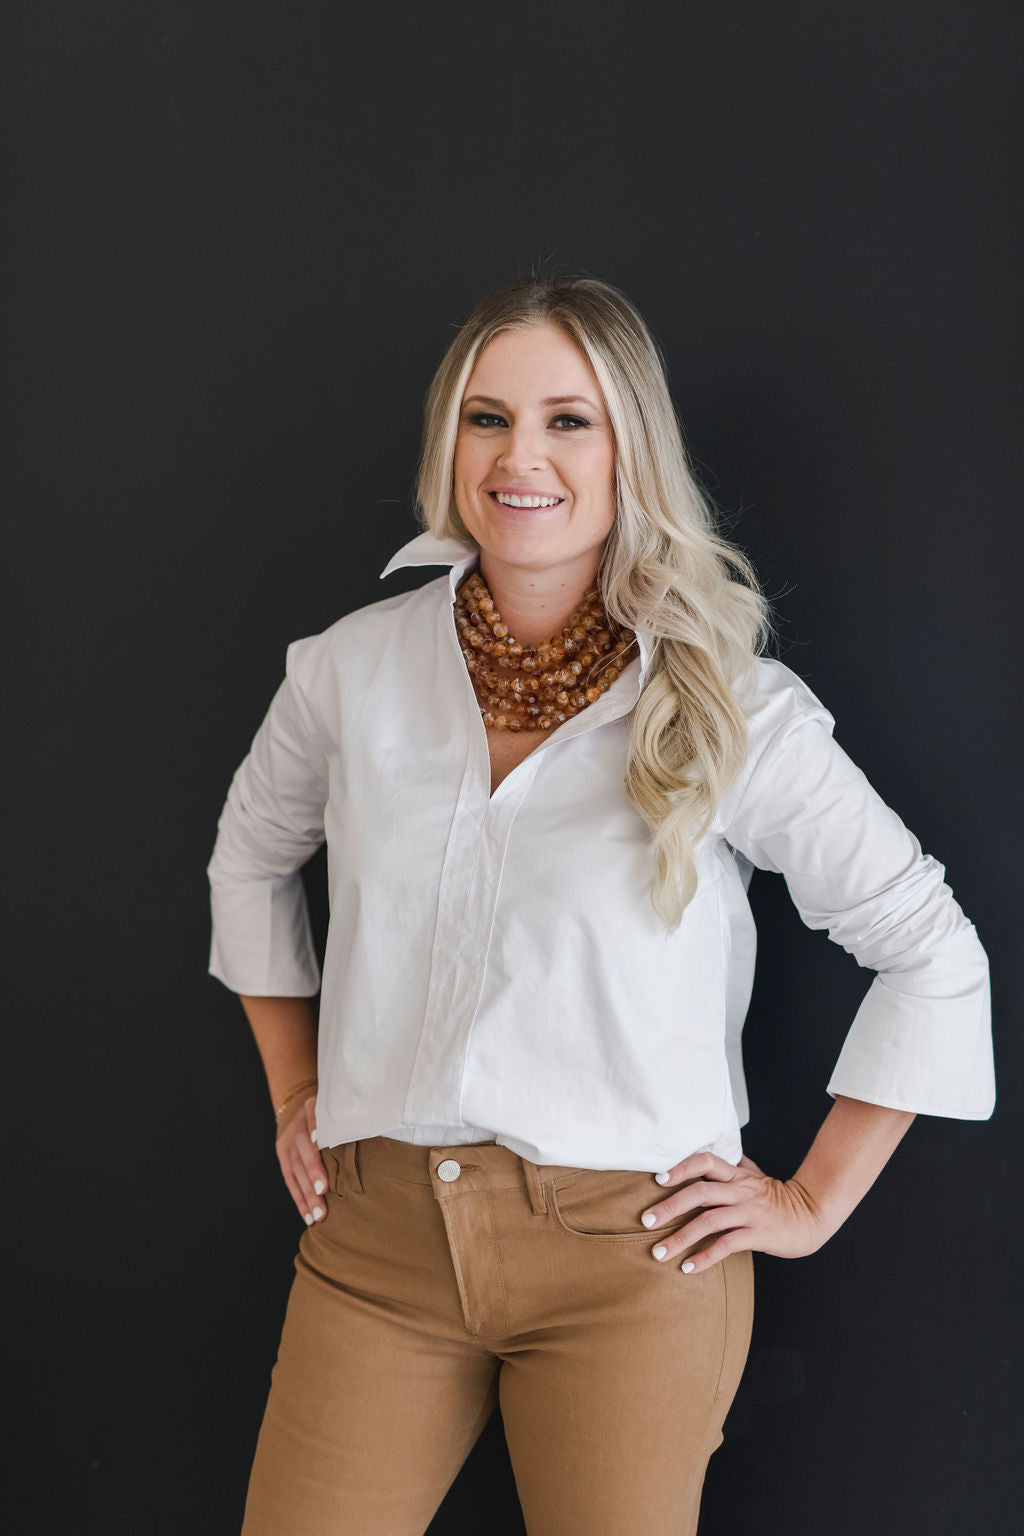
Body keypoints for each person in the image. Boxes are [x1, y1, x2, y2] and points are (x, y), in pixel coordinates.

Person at [206, 272, 994, 1536]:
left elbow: (932, 951)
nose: (522, 456)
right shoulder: (350, 668)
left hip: (634, 1266)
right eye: (487, 417)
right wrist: (297, 1090)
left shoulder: (730, 704)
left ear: (632, 447)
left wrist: (809, 1202)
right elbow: (248, 857)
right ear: (448, 441)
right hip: (378, 1248)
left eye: (569, 420)